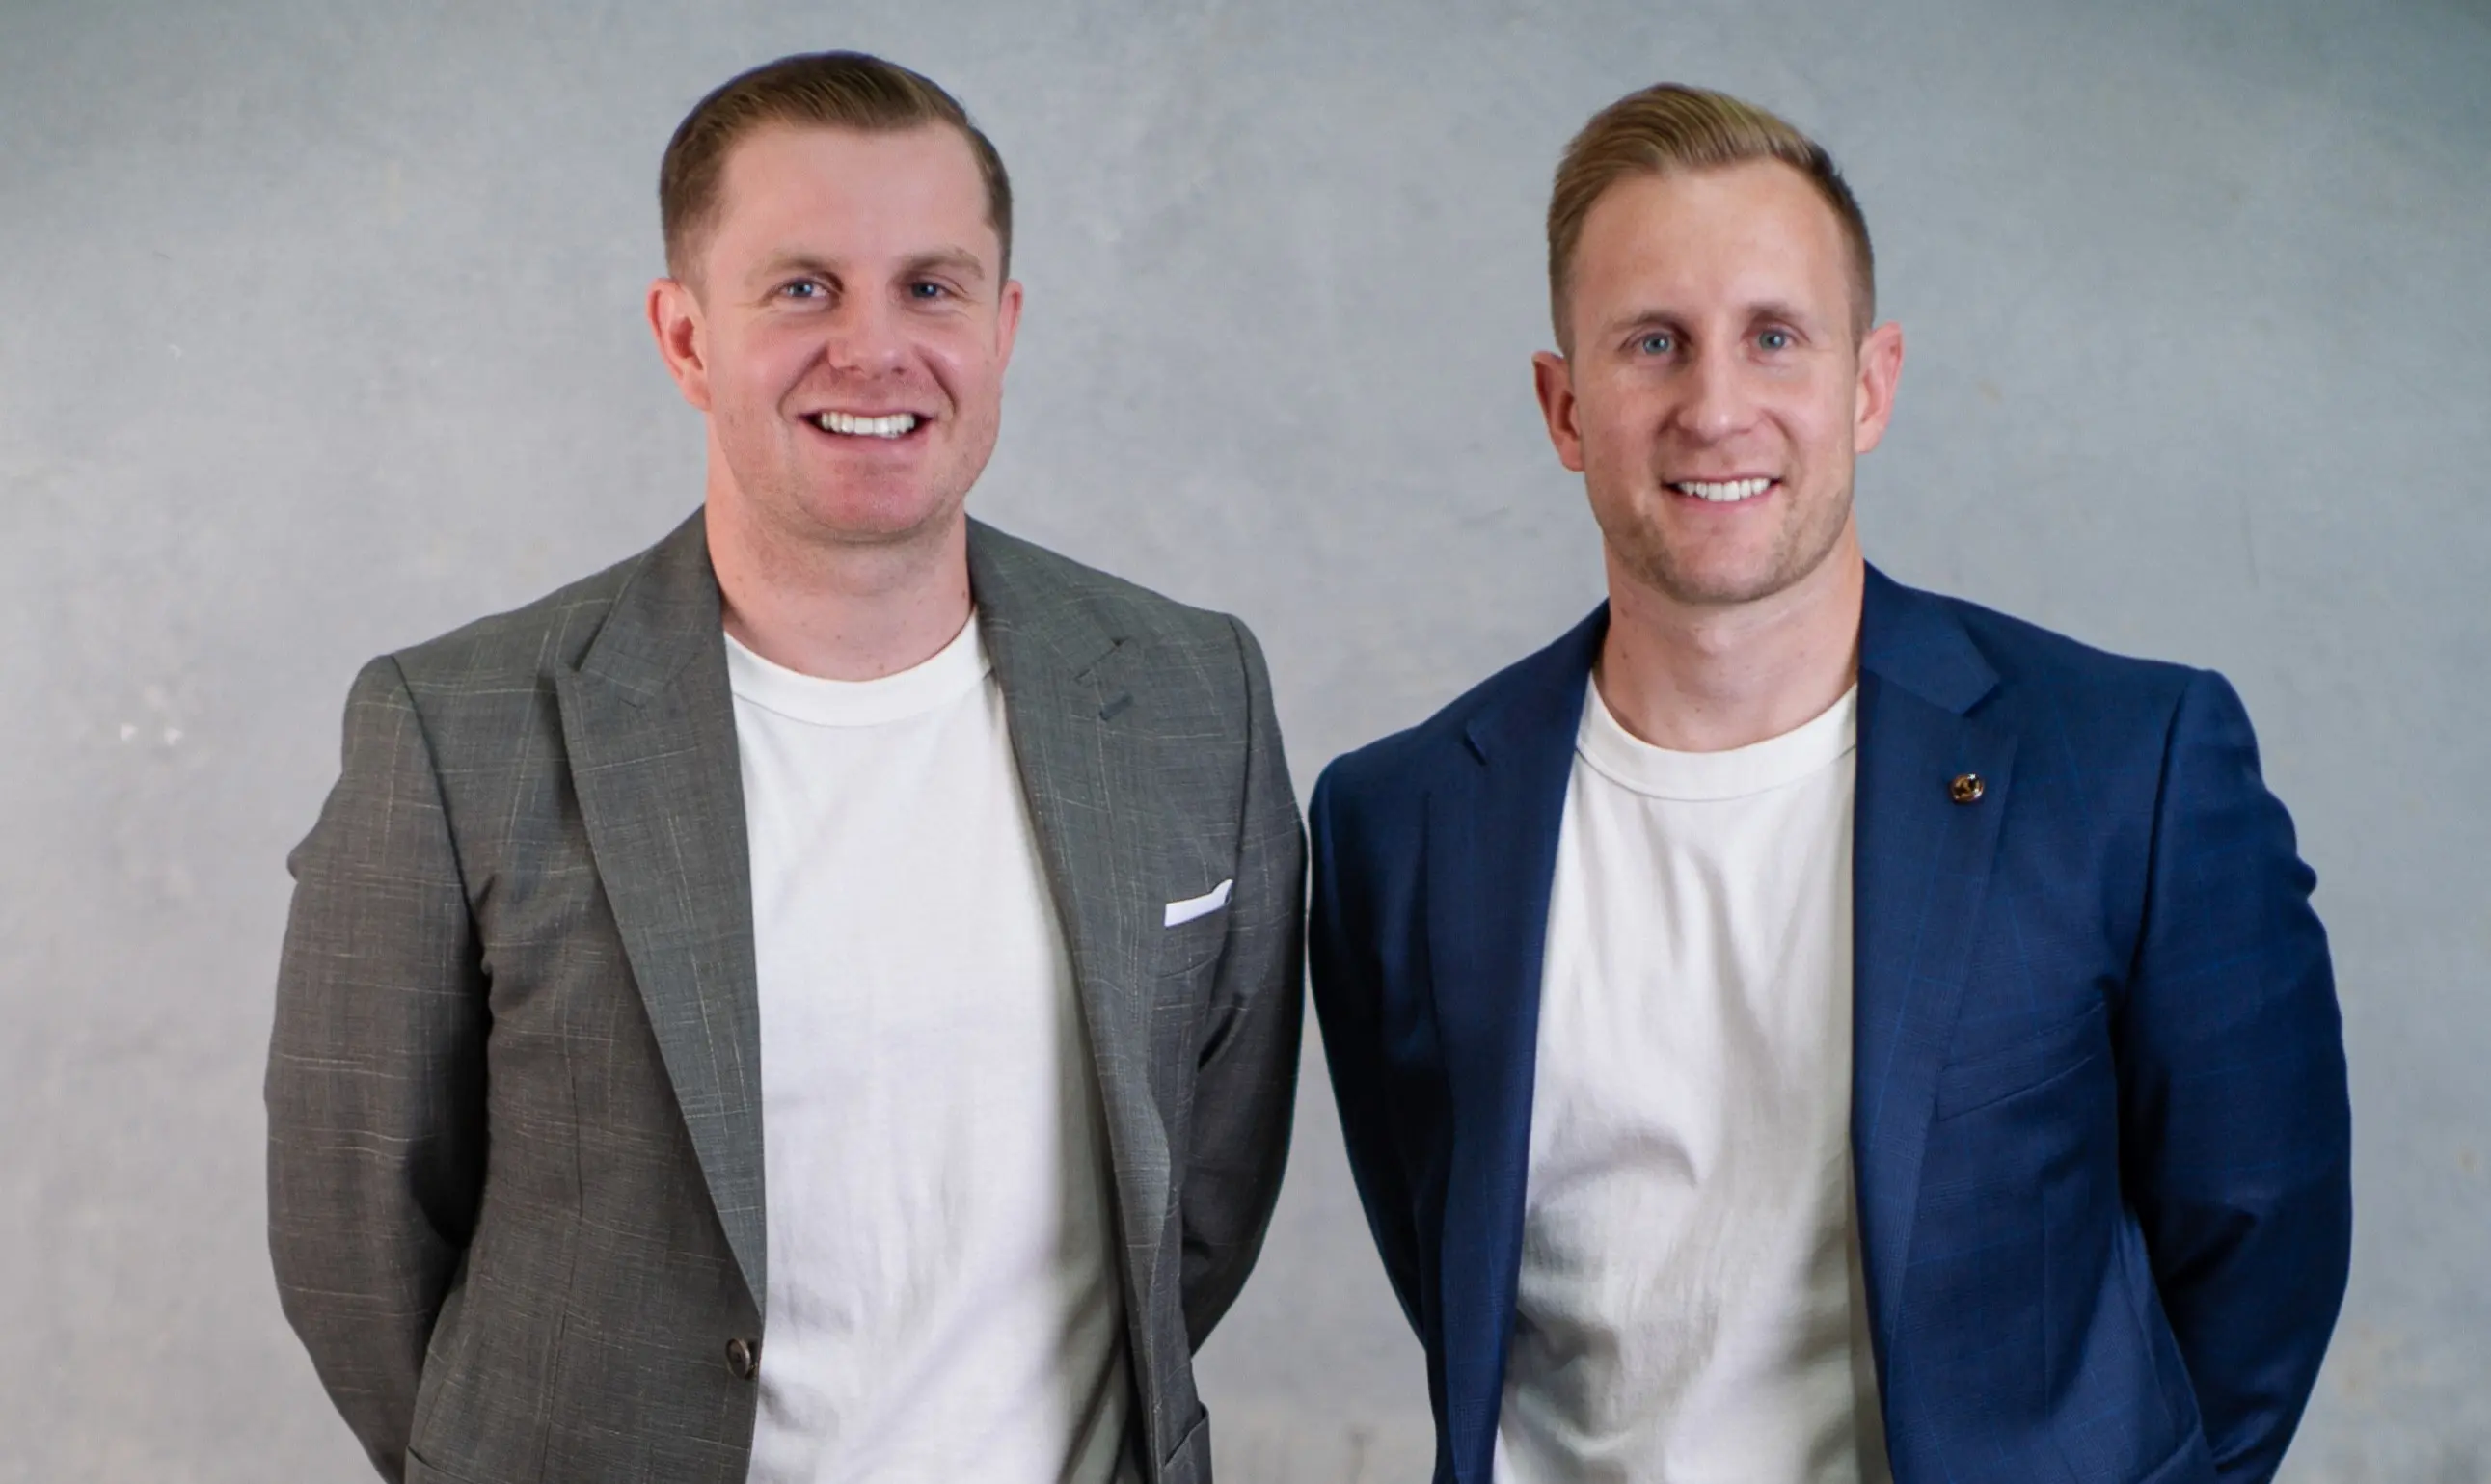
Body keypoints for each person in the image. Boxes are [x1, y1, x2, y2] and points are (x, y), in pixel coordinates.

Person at [267, 50, 1302, 1484]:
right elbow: (359, 1244)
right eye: (803, 287)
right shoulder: (456, 731)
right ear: (686, 336)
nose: (874, 350)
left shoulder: (1197, 695)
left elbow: (1201, 1202)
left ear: (1002, 327)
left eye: (930, 287)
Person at [1308, 83, 2348, 1484]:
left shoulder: (2128, 769)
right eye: (1653, 343)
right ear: (1564, 407)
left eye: (1774, 337)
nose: (1714, 408)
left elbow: (2259, 1242)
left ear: (1869, 385)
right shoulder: (1401, 826)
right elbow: (1449, 1261)